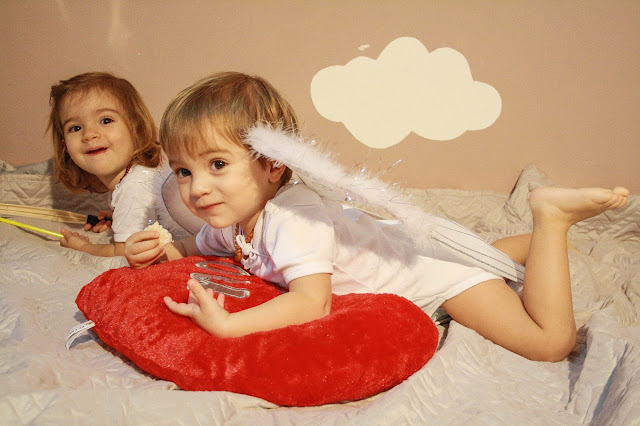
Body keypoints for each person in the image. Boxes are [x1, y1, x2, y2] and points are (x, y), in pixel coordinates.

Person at [123, 72, 629, 362]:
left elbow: (311, 303)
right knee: (482, 255)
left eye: (217, 165)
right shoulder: (231, 222)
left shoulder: (291, 216)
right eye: (184, 171)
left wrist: (232, 326)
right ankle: (529, 246)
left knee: (549, 344)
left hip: (435, 279)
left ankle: (550, 220)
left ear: (273, 163)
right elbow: (193, 249)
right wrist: (160, 250)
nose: (197, 188)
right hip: (413, 248)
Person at [48, 72, 198, 257]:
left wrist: (83, 247)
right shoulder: (141, 175)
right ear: (65, 146)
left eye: (106, 120)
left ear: (135, 128)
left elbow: (123, 253)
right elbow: (155, 212)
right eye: (76, 128)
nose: (89, 134)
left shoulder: (134, 187)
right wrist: (121, 218)